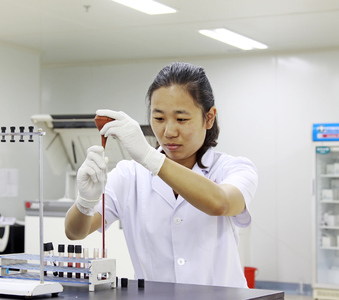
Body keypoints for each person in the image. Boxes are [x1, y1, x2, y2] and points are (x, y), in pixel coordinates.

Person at [64, 62, 258, 288]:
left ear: (209, 118)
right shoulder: (130, 176)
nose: (169, 132)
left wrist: (150, 157)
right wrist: (85, 202)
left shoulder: (234, 168)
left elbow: (220, 204)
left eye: (181, 119)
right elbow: (75, 232)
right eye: (159, 119)